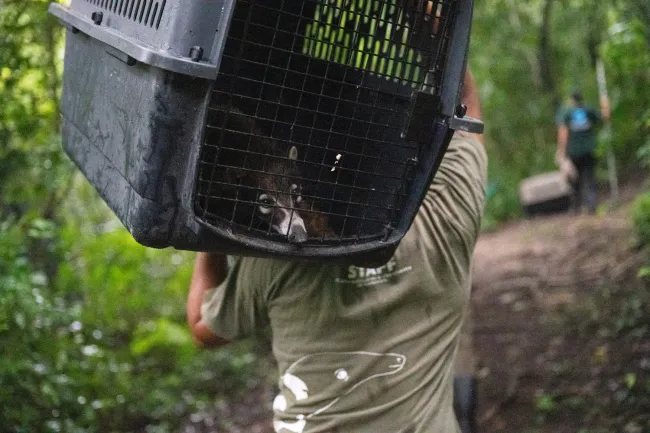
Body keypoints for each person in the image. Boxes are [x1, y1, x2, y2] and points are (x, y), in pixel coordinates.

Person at [186, 61, 487, 433]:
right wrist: (429, 17)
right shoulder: (444, 219)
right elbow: (467, 109)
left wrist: (215, 228)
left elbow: (203, 325)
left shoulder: (278, 265)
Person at [555, 90, 611, 214]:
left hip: (573, 151)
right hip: (590, 149)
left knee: (575, 180)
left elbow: (563, 132)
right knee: (590, 177)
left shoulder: (566, 112)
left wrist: (561, 151)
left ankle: (576, 207)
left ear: (571, 99)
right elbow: (605, 117)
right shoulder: (588, 110)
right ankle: (592, 205)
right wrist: (605, 104)